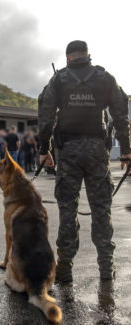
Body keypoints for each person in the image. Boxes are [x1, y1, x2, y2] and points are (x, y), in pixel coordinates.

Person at [38, 40, 131, 282]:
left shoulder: (59, 80)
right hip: (97, 151)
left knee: (67, 210)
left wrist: (43, 149)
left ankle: (65, 268)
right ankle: (105, 268)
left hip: (68, 151)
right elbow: (121, 114)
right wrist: (126, 151)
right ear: (88, 55)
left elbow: (46, 114)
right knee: (101, 209)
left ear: (68, 57)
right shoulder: (104, 77)